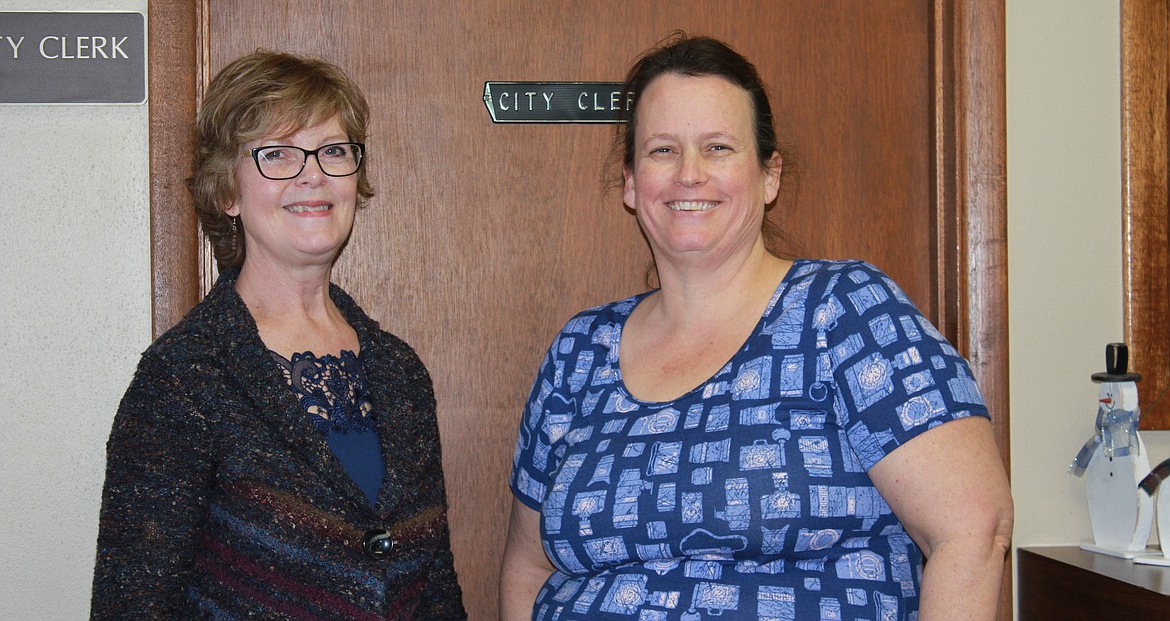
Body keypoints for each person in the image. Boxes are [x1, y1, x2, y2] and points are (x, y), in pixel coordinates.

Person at [499, 35, 1013, 620]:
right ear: (631, 183)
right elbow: (529, 565)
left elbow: (973, 531)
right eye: (663, 150)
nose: (689, 174)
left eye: (717, 147)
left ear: (770, 175)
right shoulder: (579, 351)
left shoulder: (845, 313)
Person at [91, 51, 466, 619]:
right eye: (278, 155)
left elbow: (435, 590)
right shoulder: (184, 378)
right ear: (227, 193)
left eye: (333, 151)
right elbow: (133, 605)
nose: (312, 173)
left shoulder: (400, 372)